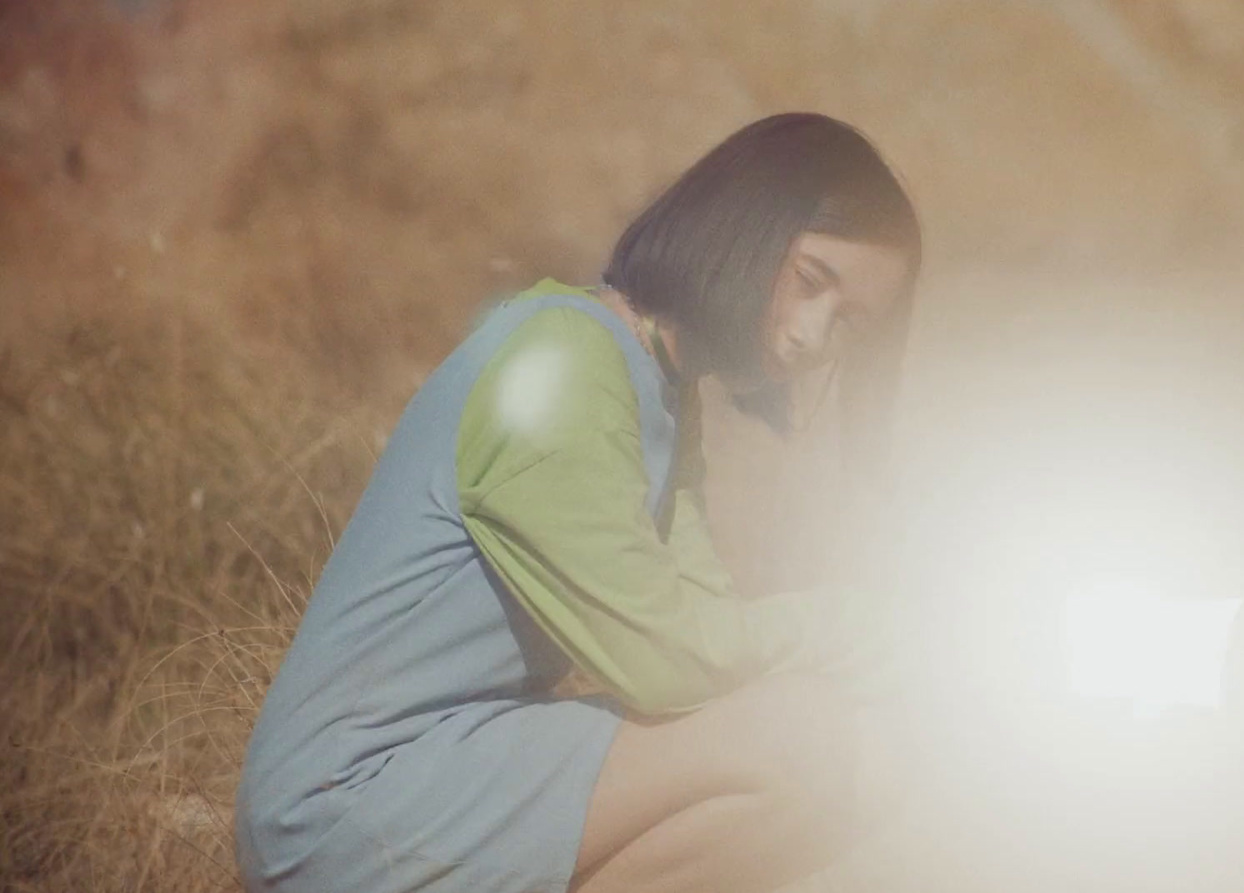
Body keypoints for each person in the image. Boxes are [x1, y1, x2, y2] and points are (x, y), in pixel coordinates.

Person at [235, 112, 923, 893]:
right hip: (343, 806)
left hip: (449, 764)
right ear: (747, 223)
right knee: (802, 742)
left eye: (848, 323)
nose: (810, 338)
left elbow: (707, 639)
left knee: (866, 764)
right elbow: (667, 663)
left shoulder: (663, 391)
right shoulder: (563, 361)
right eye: (810, 282)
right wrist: (863, 625)